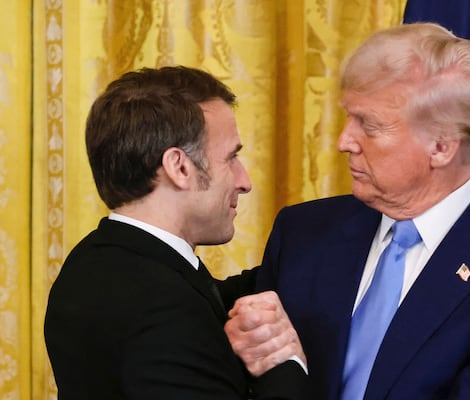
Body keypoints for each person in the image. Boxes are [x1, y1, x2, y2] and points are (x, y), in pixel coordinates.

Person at [254, 23, 470, 399]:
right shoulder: (303, 231)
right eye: (348, 117)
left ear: (441, 146)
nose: (344, 141)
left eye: (368, 125)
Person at [44, 66, 308, 399]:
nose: (245, 181)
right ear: (179, 167)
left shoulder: (95, 260)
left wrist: (305, 262)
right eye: (231, 158)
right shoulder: (163, 310)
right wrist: (285, 364)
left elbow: (203, 296)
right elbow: (182, 313)